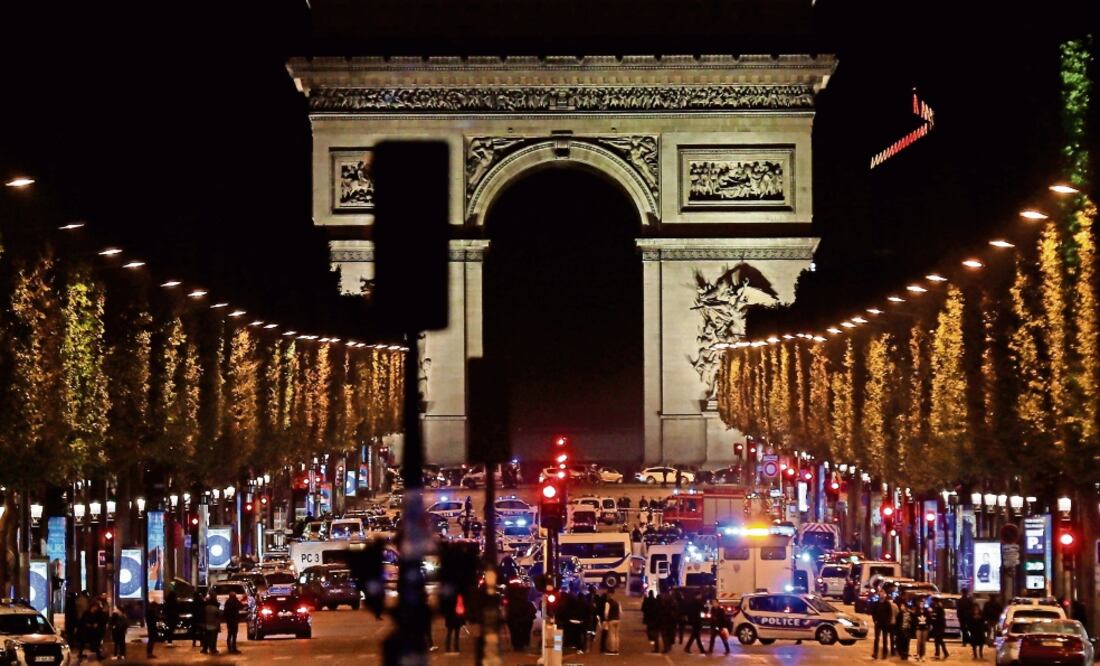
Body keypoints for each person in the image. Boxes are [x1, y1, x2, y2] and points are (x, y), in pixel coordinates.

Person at [872, 591, 894, 659]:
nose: (881, 595)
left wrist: (888, 622)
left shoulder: (887, 604)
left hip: (885, 624)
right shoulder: (876, 603)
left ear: (884, 595)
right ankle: (875, 653)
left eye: (883, 594)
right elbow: (873, 612)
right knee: (876, 639)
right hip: (878, 623)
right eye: (880, 594)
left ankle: (884, 654)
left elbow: (890, 613)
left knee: (885, 639)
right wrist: (875, 620)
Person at [603, 587, 621, 655]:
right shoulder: (617, 602)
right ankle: (617, 649)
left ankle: (612, 650)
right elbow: (620, 611)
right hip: (617, 619)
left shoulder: (608, 602)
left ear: (609, 593)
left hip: (611, 620)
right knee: (617, 635)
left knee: (612, 635)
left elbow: (606, 612)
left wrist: (606, 619)